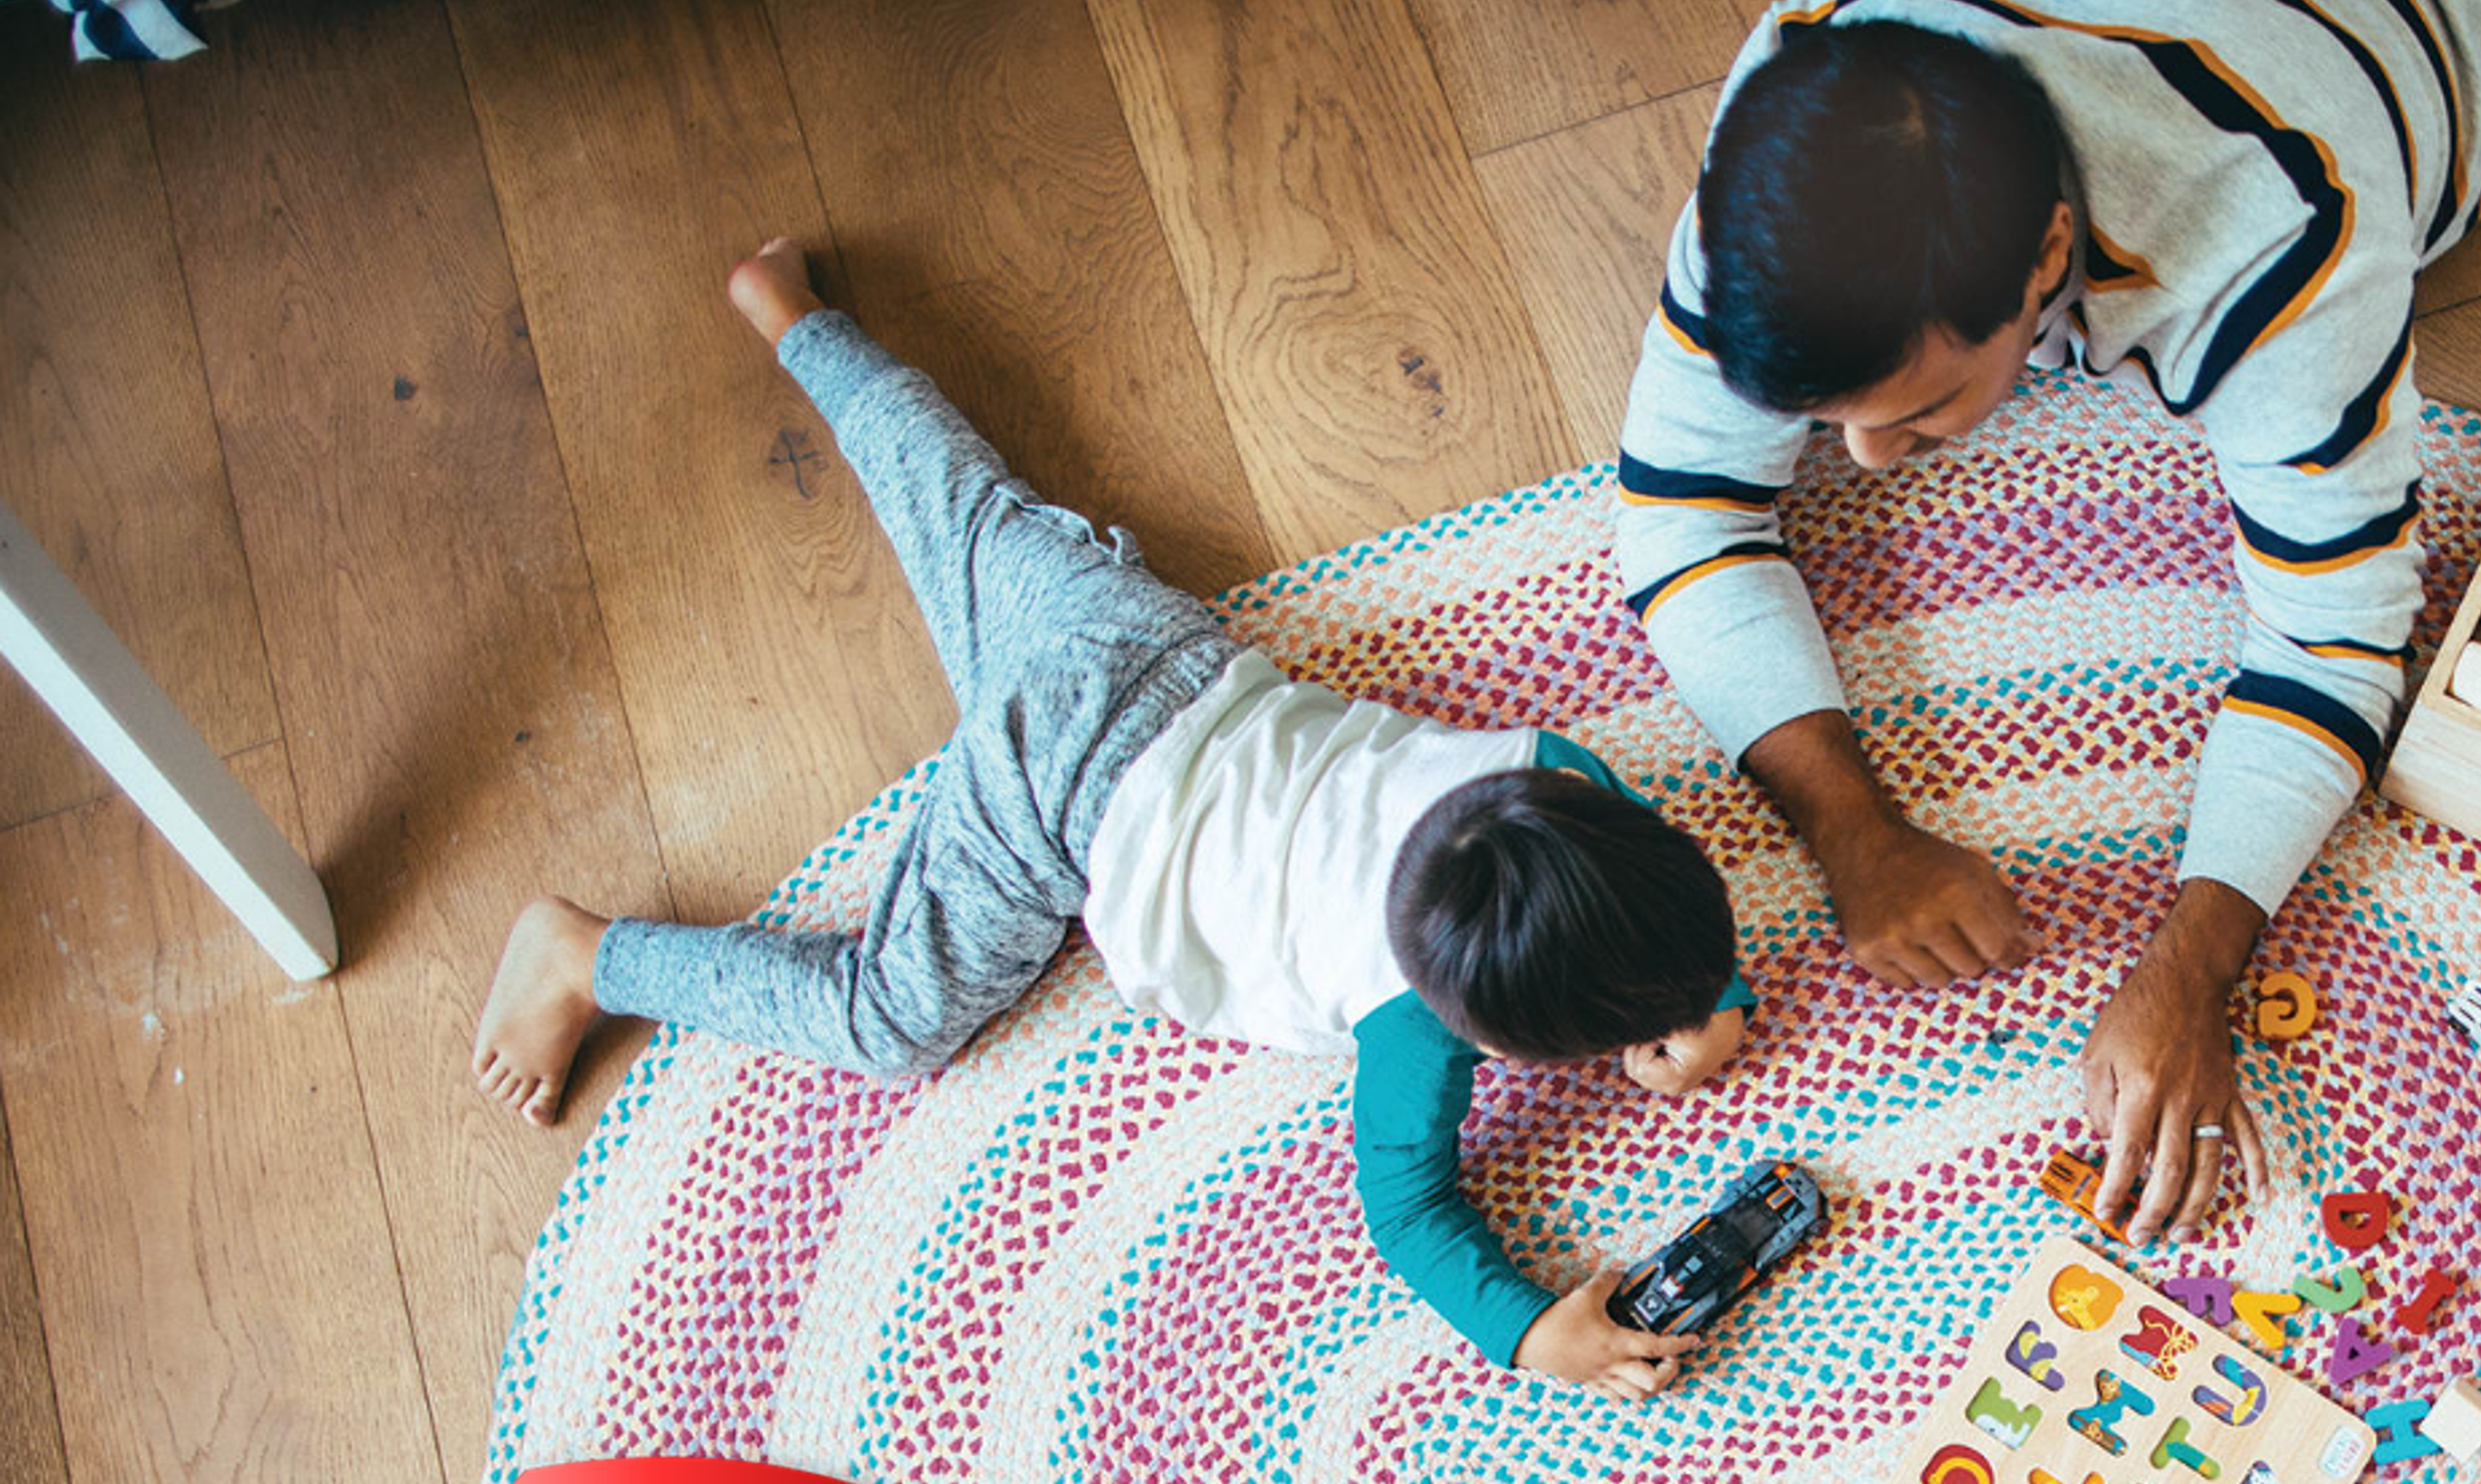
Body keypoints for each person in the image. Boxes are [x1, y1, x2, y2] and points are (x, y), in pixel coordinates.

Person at [470, 241, 1754, 1400]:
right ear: (1487, 1028)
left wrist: (1714, 988)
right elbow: (1410, 1209)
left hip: (1145, 651)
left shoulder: (1558, 769)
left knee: (957, 499)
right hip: (1051, 803)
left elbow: (1637, 856)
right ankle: (593, 955)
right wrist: (1530, 1328)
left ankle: (790, 312)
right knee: (891, 1014)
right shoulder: (1410, 1018)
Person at [1618, 2, 2481, 1246]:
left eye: (1923, 405)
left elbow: (2340, 636)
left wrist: (2192, 964)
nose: (1868, 461)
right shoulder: (1805, 84)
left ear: (2051, 252)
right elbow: (1682, 506)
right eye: (1830, 416)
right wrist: (1851, 832)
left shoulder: (2288, 240)